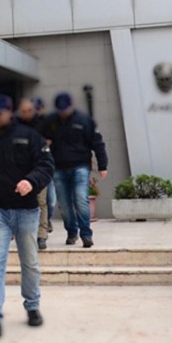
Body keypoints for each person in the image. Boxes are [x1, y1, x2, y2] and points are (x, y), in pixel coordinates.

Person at [0, 94, 54, 338]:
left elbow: (46, 165)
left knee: (30, 261)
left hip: (26, 209)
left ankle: (32, 306)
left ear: (10, 112)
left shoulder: (30, 136)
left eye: (0, 112)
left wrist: (31, 181)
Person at [43, 93, 108, 248]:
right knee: (64, 204)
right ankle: (72, 232)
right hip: (58, 168)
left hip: (80, 166)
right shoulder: (51, 121)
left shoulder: (84, 120)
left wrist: (102, 165)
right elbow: (40, 141)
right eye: (61, 110)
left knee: (81, 199)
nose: (63, 113)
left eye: (65, 110)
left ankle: (86, 234)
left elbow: (97, 143)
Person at [15, 98, 55, 250]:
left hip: (39, 169)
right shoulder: (14, 126)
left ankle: (41, 235)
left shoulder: (43, 124)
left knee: (43, 201)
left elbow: (49, 142)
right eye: (24, 111)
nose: (27, 114)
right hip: (19, 170)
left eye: (29, 110)